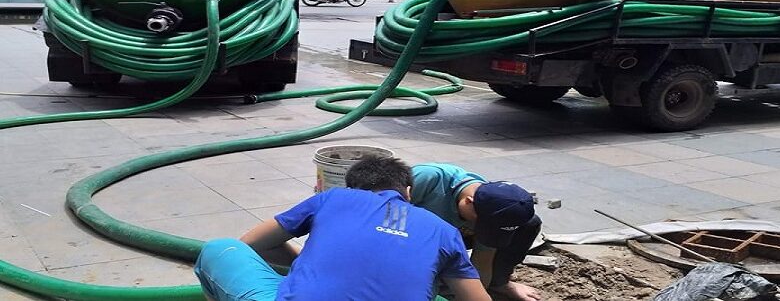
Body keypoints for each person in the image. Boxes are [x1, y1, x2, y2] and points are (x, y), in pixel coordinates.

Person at [194, 156, 490, 301]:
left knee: (221, 248)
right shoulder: (444, 230)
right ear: (409, 193)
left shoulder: (333, 198)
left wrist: (308, 265)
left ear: (352, 189)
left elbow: (251, 243)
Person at [411, 163, 543, 301]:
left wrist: (477, 295)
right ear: (469, 202)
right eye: (480, 224)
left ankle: (499, 283)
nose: (479, 228)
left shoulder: (493, 213)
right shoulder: (428, 179)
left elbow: (483, 260)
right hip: (407, 234)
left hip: (449, 236)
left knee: (530, 224)